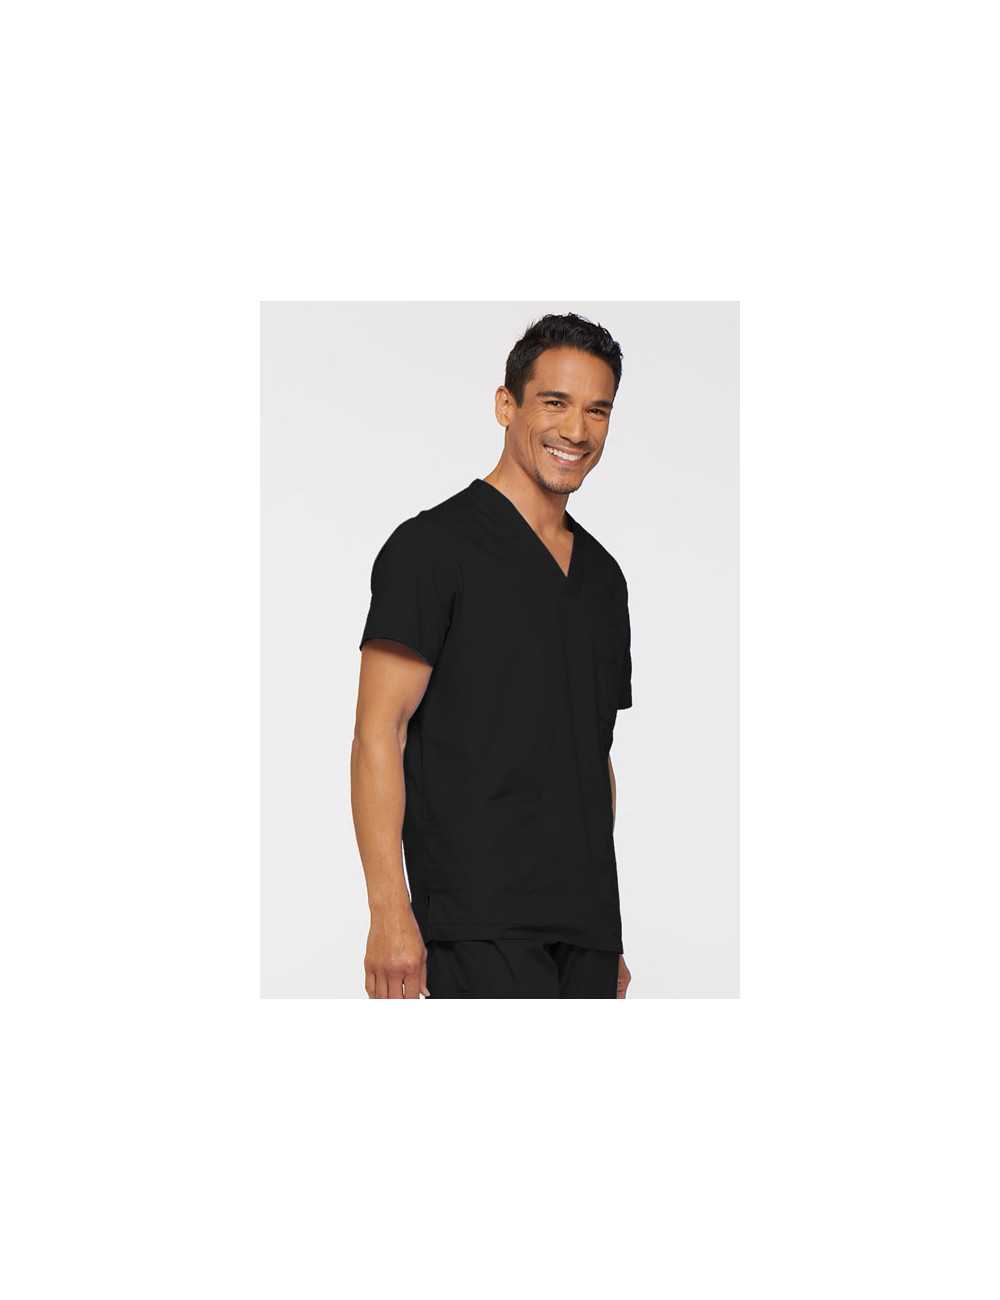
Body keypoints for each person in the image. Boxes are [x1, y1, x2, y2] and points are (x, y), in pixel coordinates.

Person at [351, 312, 633, 998]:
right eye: (555, 402)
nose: (577, 430)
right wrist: (390, 912)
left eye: (597, 410)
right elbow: (378, 731)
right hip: (476, 921)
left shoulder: (603, 578)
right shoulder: (431, 550)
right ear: (507, 405)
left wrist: (606, 930)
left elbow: (592, 756)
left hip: (586, 931)